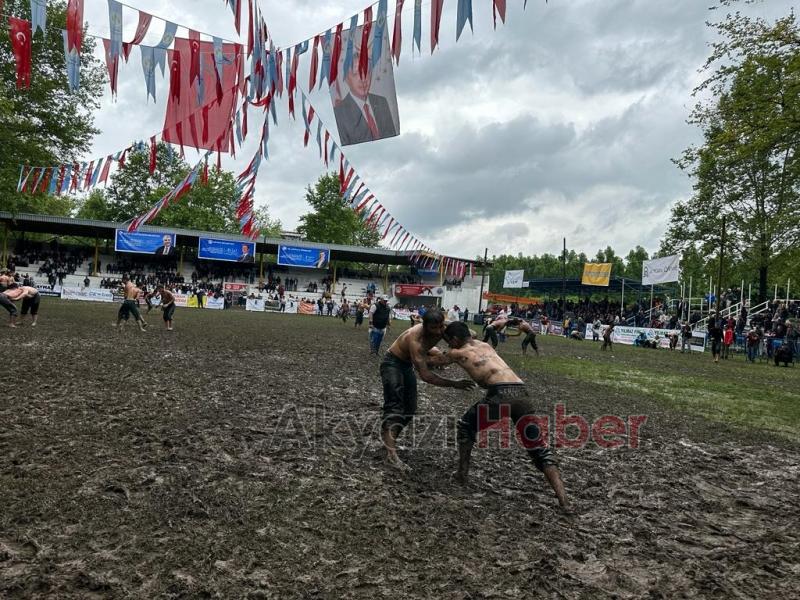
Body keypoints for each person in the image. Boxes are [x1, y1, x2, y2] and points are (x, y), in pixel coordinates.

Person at [430, 321, 569, 511]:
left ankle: (462, 474)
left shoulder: (456, 352)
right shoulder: (484, 344)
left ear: (454, 339)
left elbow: (434, 361)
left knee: (466, 427)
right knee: (538, 448)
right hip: (521, 392)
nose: (448, 344)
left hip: (500, 394)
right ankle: (563, 499)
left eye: (448, 341)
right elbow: (471, 333)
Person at [380, 310, 475, 470]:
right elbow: (426, 376)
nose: (438, 332)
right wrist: (454, 383)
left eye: (440, 326)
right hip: (392, 363)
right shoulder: (415, 340)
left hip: (407, 365)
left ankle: (389, 440)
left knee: (410, 409)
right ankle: (391, 455)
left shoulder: (444, 328)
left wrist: (460, 341)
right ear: (424, 326)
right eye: (433, 328)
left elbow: (471, 334)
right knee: (395, 407)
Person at [333, 42, 398, 145]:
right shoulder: (340, 113)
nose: (363, 79)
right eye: (356, 74)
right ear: (346, 78)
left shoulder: (382, 102)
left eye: (366, 72)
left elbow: (392, 135)